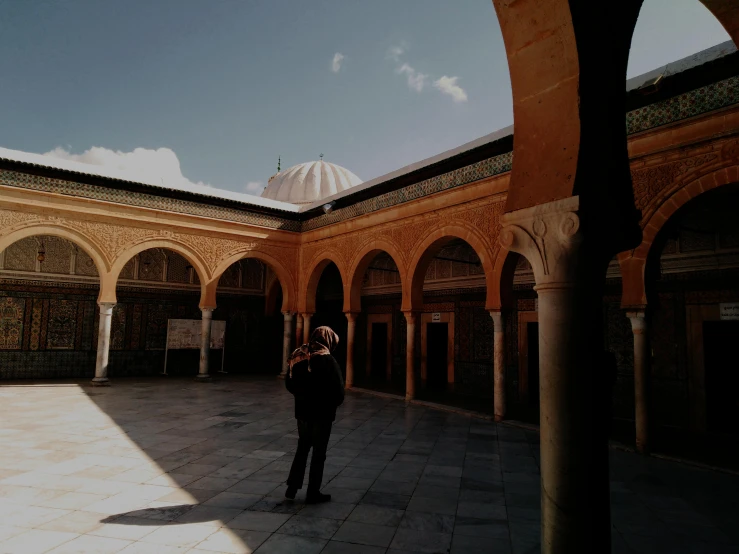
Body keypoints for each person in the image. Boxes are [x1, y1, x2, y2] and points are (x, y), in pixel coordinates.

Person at [284, 326, 344, 504]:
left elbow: (289, 384)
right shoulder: (327, 360)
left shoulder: (298, 355)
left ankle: (292, 487)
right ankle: (313, 492)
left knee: (302, 448)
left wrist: (302, 396)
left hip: (302, 413)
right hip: (322, 415)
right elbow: (339, 392)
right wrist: (329, 403)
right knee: (319, 452)